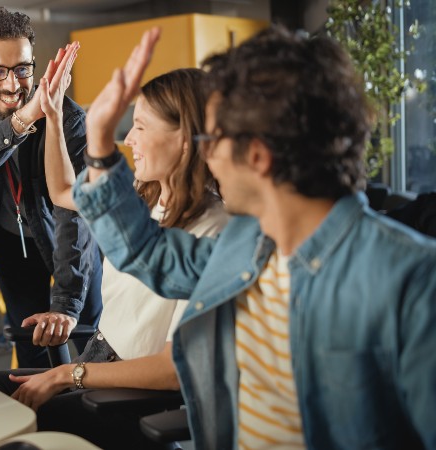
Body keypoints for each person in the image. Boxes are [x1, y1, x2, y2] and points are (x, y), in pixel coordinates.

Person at [72, 26, 436, 449]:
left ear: (259, 157)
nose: (205, 154)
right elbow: (150, 253)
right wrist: (99, 145)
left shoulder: (410, 283)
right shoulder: (249, 242)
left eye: (212, 140)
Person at [0, 41, 230, 449]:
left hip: (132, 396)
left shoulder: (216, 231)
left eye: (141, 127)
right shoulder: (144, 196)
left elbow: (173, 370)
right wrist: (55, 117)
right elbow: (62, 191)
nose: (129, 138)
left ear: (185, 140)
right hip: (97, 362)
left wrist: (65, 374)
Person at [0, 7, 103, 368]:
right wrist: (24, 118)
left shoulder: (70, 119)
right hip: (13, 243)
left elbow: (73, 215)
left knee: (94, 345)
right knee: (30, 352)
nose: (13, 85)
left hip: (71, 245)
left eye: (22, 69)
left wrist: (66, 303)